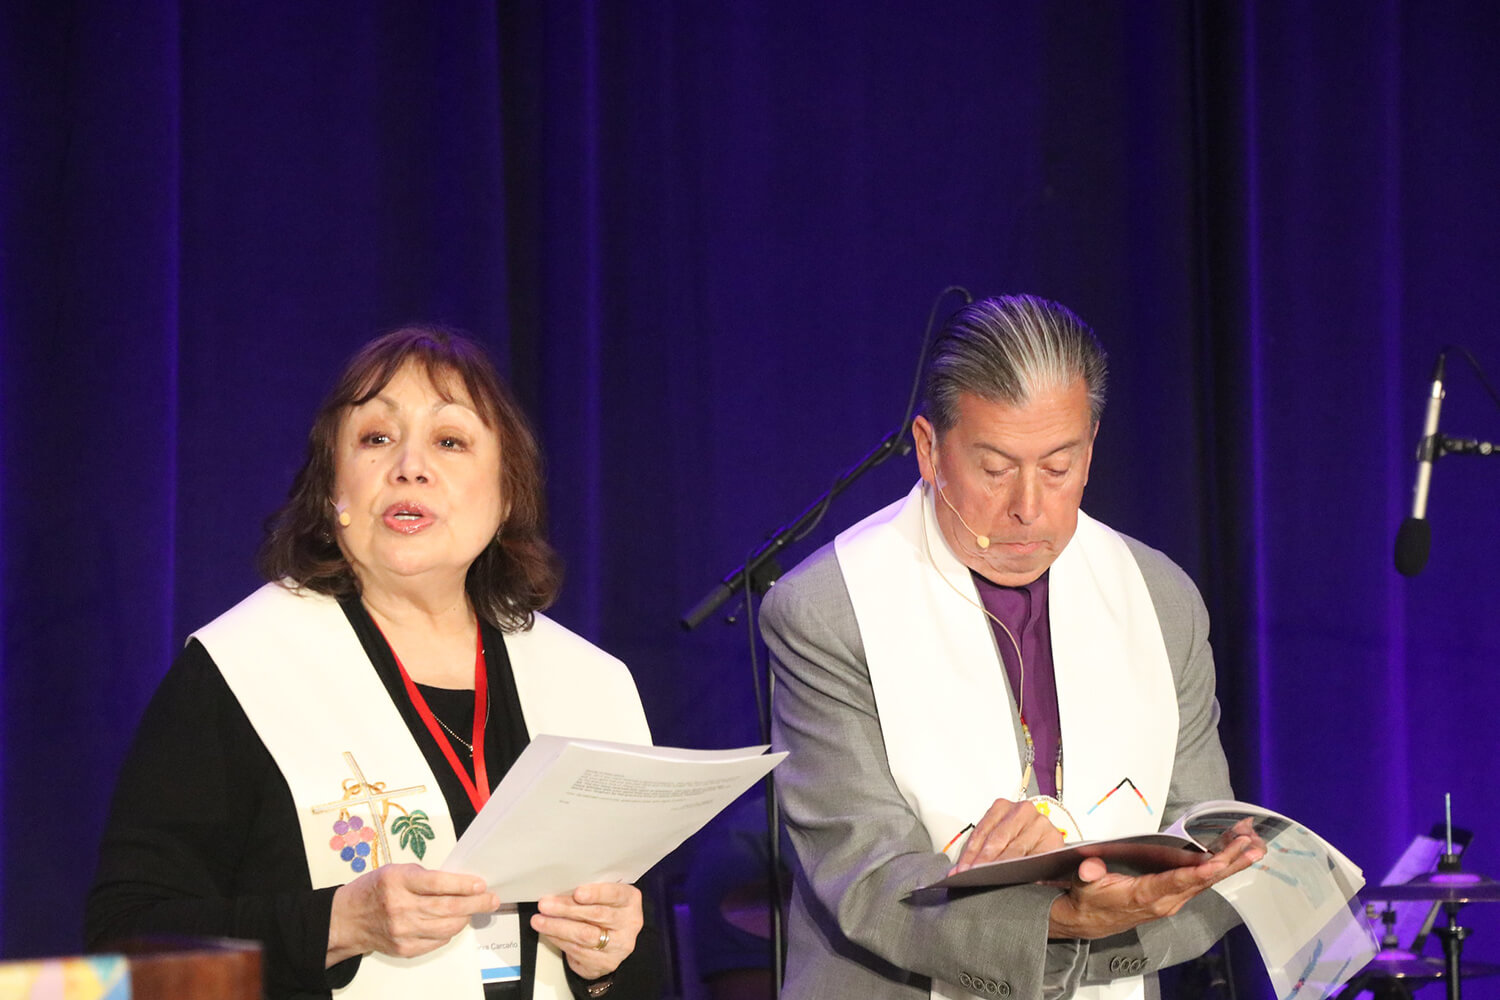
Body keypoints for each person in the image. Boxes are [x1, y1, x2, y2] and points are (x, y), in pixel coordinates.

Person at [87, 327, 660, 1000]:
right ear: (334, 489)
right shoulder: (240, 669)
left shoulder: (590, 684)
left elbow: (633, 957)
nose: (410, 466)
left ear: (506, 495)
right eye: (376, 439)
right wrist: (337, 924)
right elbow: (129, 940)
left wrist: (608, 958)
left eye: (450, 441)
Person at [760, 295, 1263, 1000]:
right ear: (930, 449)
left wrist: (1131, 913)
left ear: (1090, 449)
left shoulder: (1159, 597)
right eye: (995, 468)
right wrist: (1055, 922)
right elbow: (866, 879)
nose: (1028, 507)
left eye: (1058, 468)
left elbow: (1200, 846)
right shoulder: (829, 609)